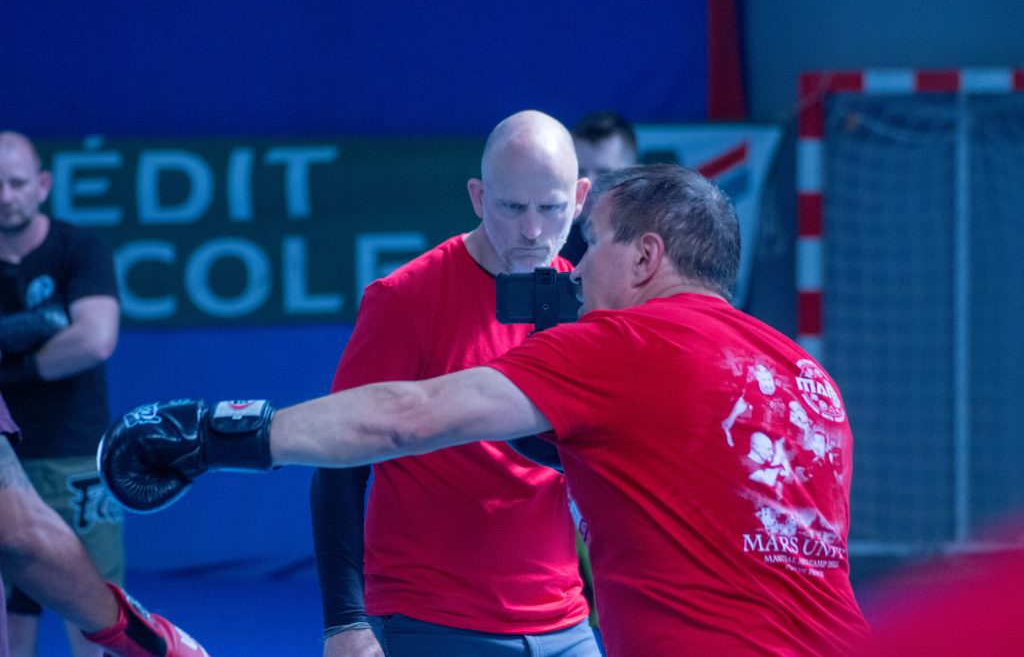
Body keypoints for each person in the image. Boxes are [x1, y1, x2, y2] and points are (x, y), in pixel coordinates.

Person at [100, 164, 874, 655]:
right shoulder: (807, 378)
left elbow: (407, 416)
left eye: (593, 241)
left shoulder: (624, 346)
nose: (574, 266)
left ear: (645, 257)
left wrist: (213, 434)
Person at [308, 110, 597, 656]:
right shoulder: (405, 299)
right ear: (478, 197)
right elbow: (339, 461)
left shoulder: (589, 302)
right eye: (512, 207)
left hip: (567, 622)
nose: (532, 231)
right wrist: (343, 622)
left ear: (580, 198)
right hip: (428, 619)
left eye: (550, 207)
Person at [0, 131, 124, 657]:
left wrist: (10, 368)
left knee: (93, 597)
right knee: (10, 603)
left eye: (17, 182)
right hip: (4, 454)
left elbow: (94, 340)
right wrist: (45, 339)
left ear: (43, 185)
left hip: (76, 453)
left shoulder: (80, 248)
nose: (6, 196)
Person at [0, 393, 208, 656]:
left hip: (68, 445)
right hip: (54, 453)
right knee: (43, 606)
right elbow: (20, 536)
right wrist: (151, 639)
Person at [560, 111, 638, 264]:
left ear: (635, 176)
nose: (588, 183)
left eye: (604, 173)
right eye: (579, 171)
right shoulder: (554, 252)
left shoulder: (663, 249)